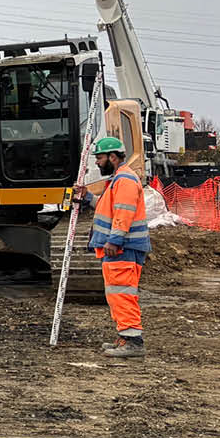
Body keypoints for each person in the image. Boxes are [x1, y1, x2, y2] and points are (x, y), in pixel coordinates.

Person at [74, 136, 150, 358]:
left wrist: (114, 240)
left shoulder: (125, 180)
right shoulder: (118, 180)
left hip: (123, 247)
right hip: (121, 247)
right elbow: (108, 207)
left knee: (122, 293)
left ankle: (133, 342)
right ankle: (125, 336)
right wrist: (88, 197)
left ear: (113, 157)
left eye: (100, 158)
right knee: (117, 293)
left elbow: (123, 213)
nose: (97, 163)